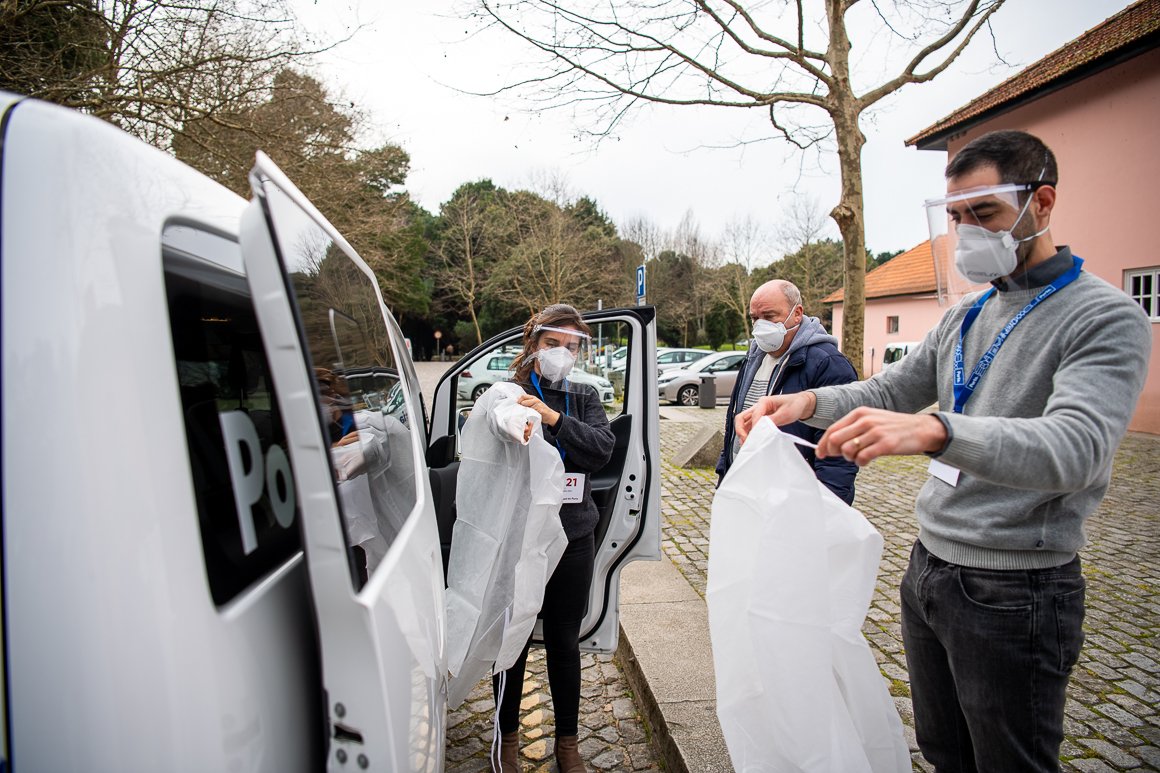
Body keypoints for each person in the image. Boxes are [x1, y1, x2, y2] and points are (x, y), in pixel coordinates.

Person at [733, 130, 1151, 772]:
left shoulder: (1104, 316)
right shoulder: (967, 313)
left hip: (1016, 586)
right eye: (956, 217)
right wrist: (805, 403)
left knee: (1007, 762)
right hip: (930, 567)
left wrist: (937, 431)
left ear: (1042, 203)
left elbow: (1078, 447)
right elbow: (893, 387)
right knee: (944, 752)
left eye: (984, 213)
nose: (967, 232)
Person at [491, 304, 615, 773]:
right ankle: (507, 740)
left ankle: (567, 744)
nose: (562, 353)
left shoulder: (584, 396)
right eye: (553, 344)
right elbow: (487, 448)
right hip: (520, 536)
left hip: (573, 532)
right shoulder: (508, 392)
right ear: (533, 344)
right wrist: (522, 418)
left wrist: (553, 418)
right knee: (514, 639)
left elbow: (602, 451)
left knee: (565, 641)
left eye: (571, 346)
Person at [716, 279, 859, 503]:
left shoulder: (828, 364)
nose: (760, 326)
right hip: (745, 490)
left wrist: (823, 507)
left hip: (791, 500)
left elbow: (839, 453)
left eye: (769, 316)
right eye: (755, 318)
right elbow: (735, 421)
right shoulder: (754, 357)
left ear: (797, 313)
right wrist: (724, 471)